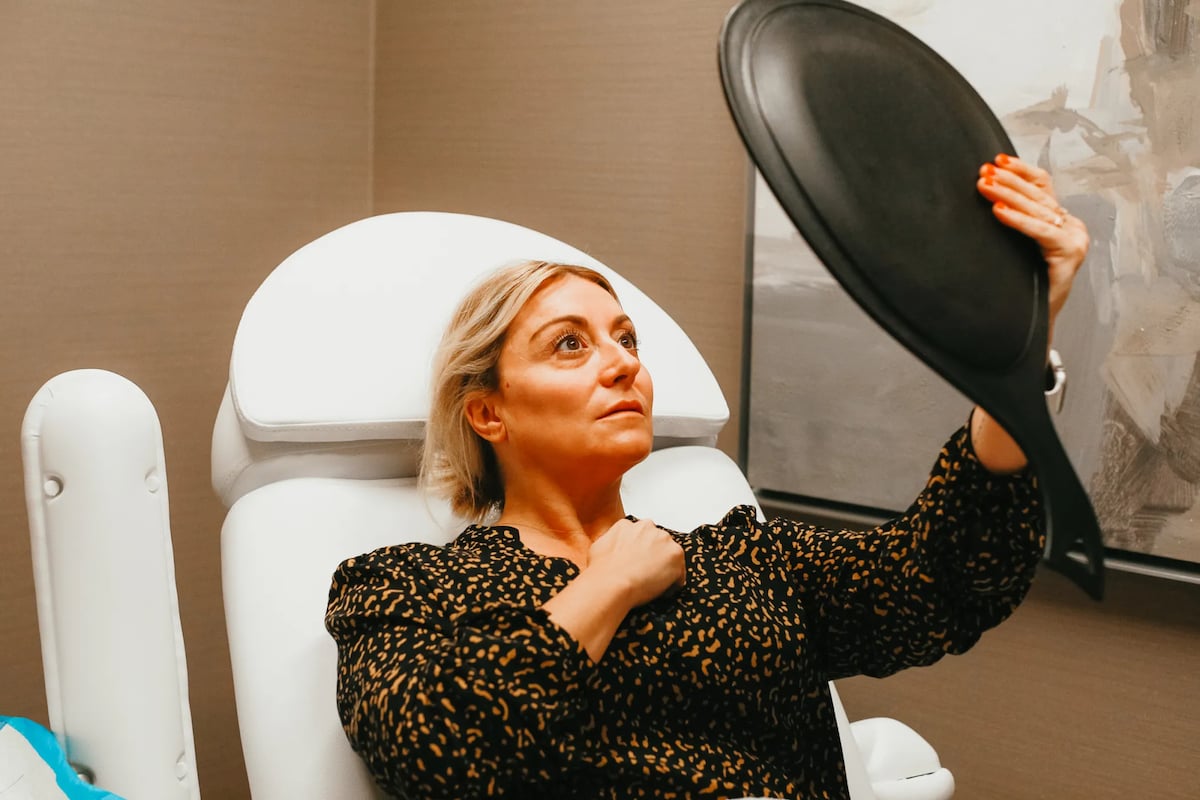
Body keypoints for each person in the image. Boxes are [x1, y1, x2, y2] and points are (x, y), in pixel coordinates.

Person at [325, 154, 1089, 799]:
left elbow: (942, 577)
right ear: (488, 413)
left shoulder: (745, 561)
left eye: (627, 338)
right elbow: (438, 748)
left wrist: (1016, 349)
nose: (624, 362)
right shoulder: (407, 588)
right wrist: (609, 584)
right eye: (569, 345)